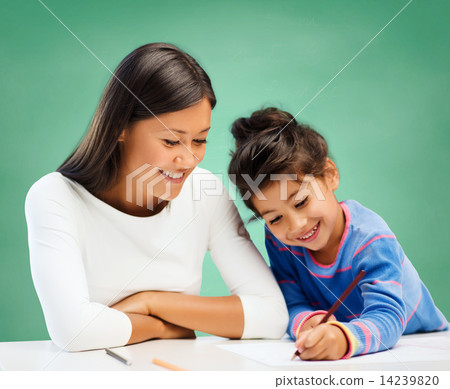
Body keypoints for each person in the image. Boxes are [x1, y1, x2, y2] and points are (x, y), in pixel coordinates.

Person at [25, 43, 288, 352]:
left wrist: (150, 303)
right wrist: (166, 328)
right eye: (171, 140)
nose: (189, 159)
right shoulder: (55, 197)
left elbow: (272, 317)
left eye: (200, 140)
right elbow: (73, 332)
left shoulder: (206, 194)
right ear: (120, 128)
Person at [228, 107, 448, 360]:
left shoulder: (371, 239)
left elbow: (388, 317)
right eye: (275, 218)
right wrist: (306, 322)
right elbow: (291, 301)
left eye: (301, 202)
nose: (296, 225)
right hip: (357, 353)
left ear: (330, 175)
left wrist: (343, 338)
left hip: (423, 345)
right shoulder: (280, 242)